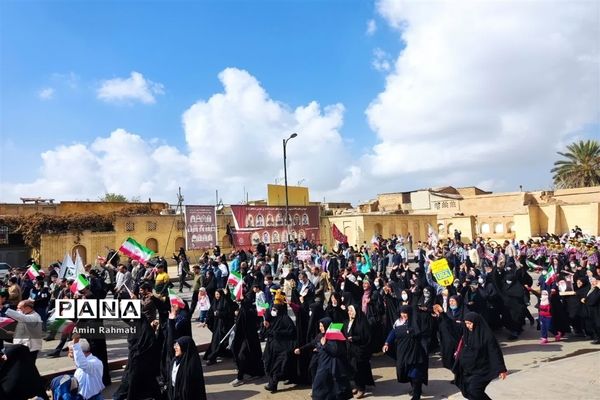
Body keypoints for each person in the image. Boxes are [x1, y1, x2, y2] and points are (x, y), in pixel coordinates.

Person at [453, 312, 507, 400]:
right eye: (466, 323)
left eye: (470, 323)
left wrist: (501, 369)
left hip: (483, 370)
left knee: (474, 390)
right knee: (467, 391)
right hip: (468, 369)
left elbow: (495, 353)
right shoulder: (467, 333)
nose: (468, 326)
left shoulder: (487, 336)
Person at [383, 305, 428, 400]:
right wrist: (387, 343)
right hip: (402, 352)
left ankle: (416, 394)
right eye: (402, 313)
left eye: (405, 313)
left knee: (415, 373)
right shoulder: (398, 322)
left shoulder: (415, 322)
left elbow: (420, 334)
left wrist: (411, 331)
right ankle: (415, 388)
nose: (403, 315)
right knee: (408, 373)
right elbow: (393, 333)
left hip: (414, 352)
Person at [167, 305, 207, 400]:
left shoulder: (192, 367)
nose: (175, 348)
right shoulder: (175, 361)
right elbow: (170, 345)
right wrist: (171, 321)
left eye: (178, 346)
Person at [310, 317, 353, 400]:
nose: (320, 328)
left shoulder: (334, 336)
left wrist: (324, 345)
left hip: (329, 367)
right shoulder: (323, 335)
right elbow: (314, 343)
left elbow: (335, 350)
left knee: (321, 389)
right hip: (323, 365)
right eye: (320, 326)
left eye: (322, 326)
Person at [230, 298, 265, 386]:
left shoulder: (244, 312)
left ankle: (240, 377)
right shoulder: (252, 310)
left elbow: (238, 327)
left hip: (245, 339)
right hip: (252, 338)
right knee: (253, 355)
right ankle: (256, 372)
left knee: (242, 356)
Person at [263, 303, 296, 393]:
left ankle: (272, 385)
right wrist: (266, 327)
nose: (273, 312)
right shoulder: (273, 319)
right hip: (272, 347)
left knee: (277, 367)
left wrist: (278, 333)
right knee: (269, 364)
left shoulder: (285, 318)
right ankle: (272, 384)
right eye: (272, 309)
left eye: (275, 310)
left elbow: (291, 331)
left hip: (282, 347)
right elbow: (268, 332)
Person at [68, 333, 105, 400]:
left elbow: (82, 364)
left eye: (71, 352)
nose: (69, 355)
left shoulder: (95, 363)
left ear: (80, 352)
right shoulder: (85, 362)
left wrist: (76, 345)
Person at [204, 289, 235, 365]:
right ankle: (226, 354)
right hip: (216, 325)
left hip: (223, 325)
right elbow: (210, 311)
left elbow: (229, 312)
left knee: (219, 342)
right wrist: (206, 321)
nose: (217, 296)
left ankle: (212, 358)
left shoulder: (225, 302)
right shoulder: (214, 301)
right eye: (216, 294)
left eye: (218, 294)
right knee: (216, 341)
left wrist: (219, 313)